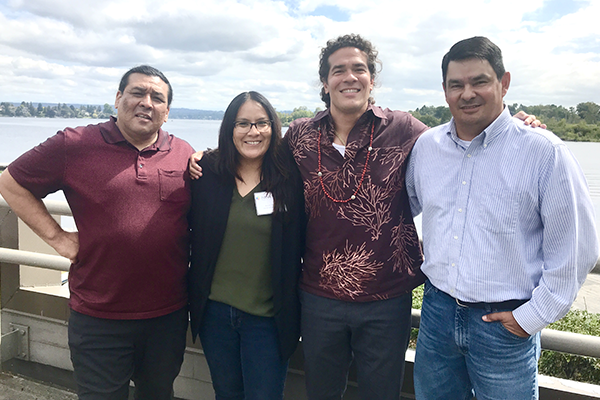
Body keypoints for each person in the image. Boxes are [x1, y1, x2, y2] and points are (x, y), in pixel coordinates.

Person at [188, 34, 540, 399]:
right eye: (338, 70)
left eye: (359, 69)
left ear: (373, 79)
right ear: (325, 83)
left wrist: (514, 124)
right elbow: (251, 148)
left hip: (386, 299)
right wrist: (205, 157)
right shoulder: (300, 136)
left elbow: (461, 139)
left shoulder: (406, 130)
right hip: (318, 297)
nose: (349, 77)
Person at [406, 36, 599, 399]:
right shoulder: (426, 148)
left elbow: (576, 251)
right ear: (444, 90)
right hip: (437, 314)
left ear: (504, 82)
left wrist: (530, 319)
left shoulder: (545, 153)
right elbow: (407, 207)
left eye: (479, 81)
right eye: (456, 84)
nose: (467, 93)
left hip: (504, 327)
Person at [0, 65, 194, 399]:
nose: (146, 102)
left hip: (167, 316)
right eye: (137, 93)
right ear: (118, 99)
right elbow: (10, 183)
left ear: (167, 112)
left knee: (158, 393)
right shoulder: (74, 144)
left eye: (157, 98)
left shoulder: (184, 152)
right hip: (99, 317)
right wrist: (58, 238)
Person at [187, 91, 305, 400]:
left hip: (267, 319)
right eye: (243, 124)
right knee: (226, 394)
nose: (253, 132)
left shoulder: (290, 177)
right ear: (229, 129)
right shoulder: (207, 172)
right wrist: (195, 157)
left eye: (261, 123)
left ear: (273, 127)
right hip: (215, 315)